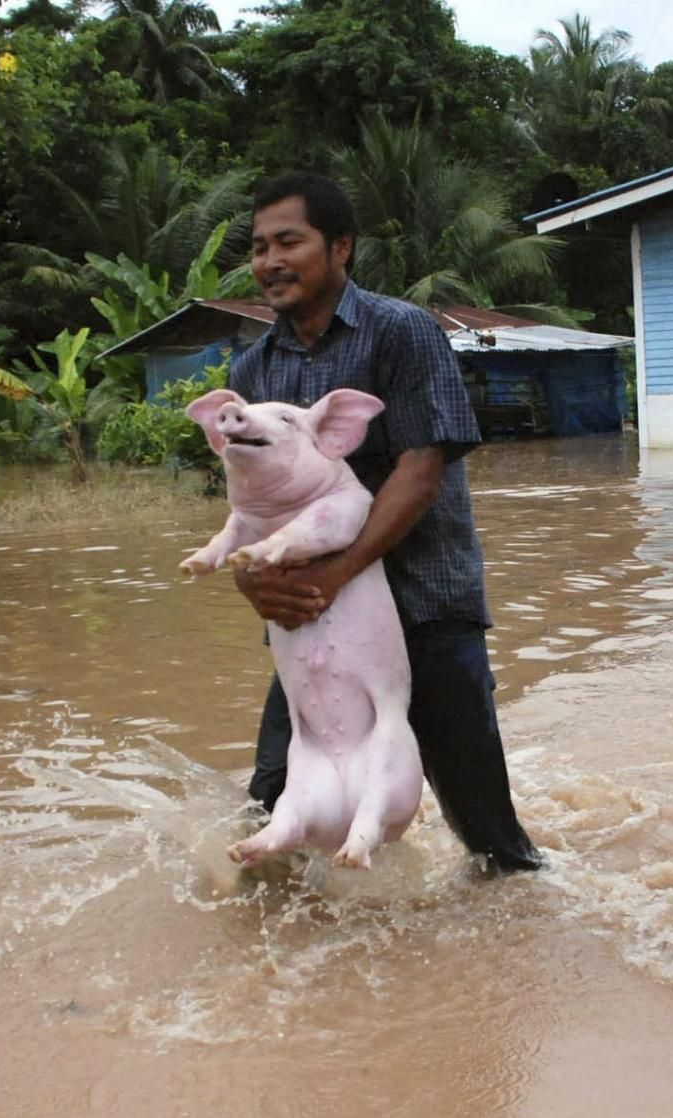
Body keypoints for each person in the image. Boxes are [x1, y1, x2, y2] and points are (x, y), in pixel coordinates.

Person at [226, 171, 542, 872]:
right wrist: (256, 587)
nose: (269, 261)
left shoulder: (402, 331)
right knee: (273, 803)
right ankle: (293, 974)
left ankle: (522, 954)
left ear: (341, 247)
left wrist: (336, 574)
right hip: (314, 621)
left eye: (289, 241)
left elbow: (421, 468)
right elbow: (246, 507)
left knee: (484, 828)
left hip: (426, 608)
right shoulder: (252, 369)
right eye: (258, 247)